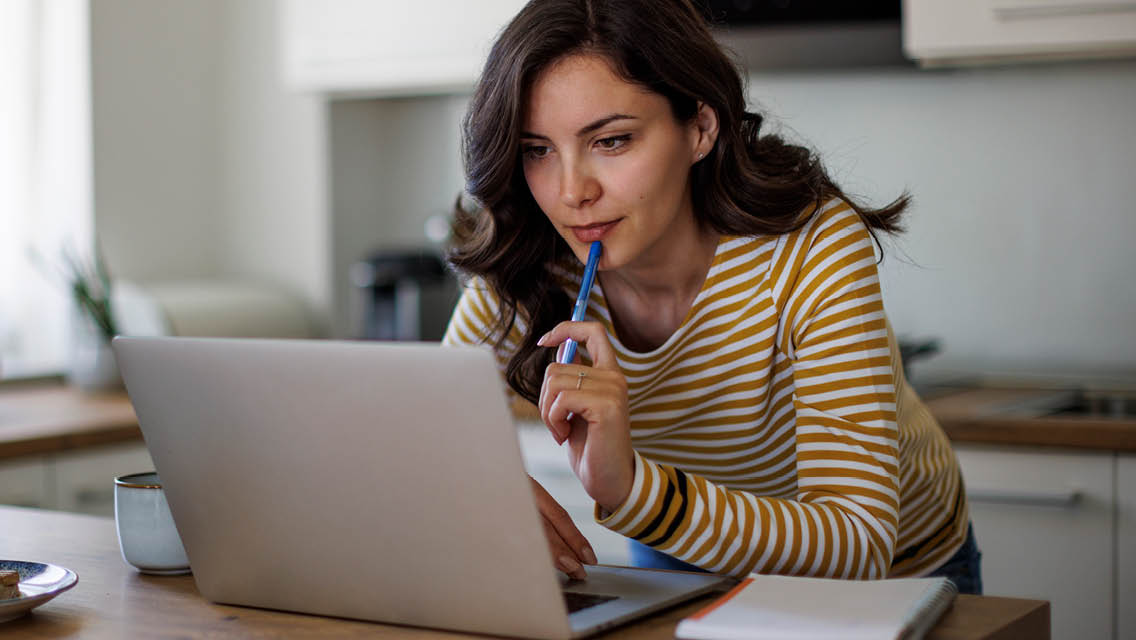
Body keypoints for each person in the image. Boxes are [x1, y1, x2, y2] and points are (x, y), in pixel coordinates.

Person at [442, 0, 982, 595]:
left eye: (613, 141)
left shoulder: (810, 244)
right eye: (537, 150)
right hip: (681, 552)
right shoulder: (529, 260)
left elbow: (859, 540)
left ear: (699, 128)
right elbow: (424, 431)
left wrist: (628, 491)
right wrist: (482, 486)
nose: (572, 192)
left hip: (891, 575)